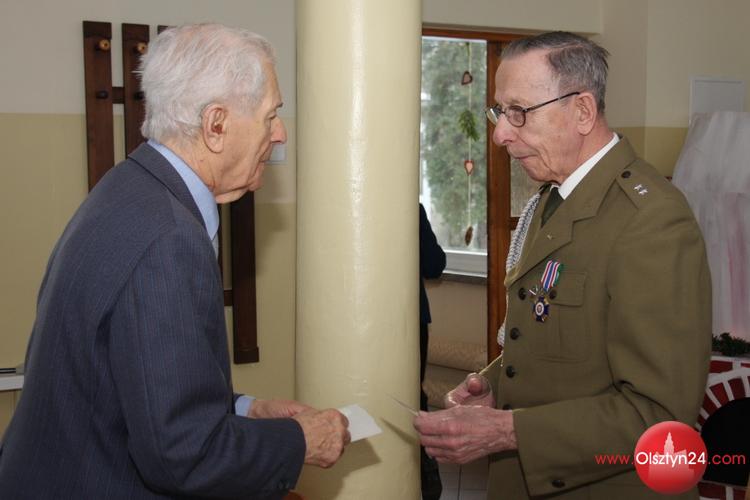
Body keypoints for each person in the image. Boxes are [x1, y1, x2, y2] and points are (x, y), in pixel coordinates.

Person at [0, 23, 349, 499]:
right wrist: (301, 440)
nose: (280, 133)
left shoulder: (128, 187)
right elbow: (182, 454)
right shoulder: (168, 237)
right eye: (271, 115)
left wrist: (246, 410)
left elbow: (139, 387)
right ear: (216, 125)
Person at [414, 31, 711, 499]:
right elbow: (554, 338)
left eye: (519, 112)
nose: (500, 133)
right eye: (499, 111)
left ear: (583, 111)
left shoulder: (651, 220)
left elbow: (658, 416)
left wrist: (509, 431)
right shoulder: (553, 199)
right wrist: (493, 385)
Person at [418, 203, 446, 500]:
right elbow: (434, 265)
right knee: (415, 393)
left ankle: (425, 467)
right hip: (411, 320)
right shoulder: (411, 210)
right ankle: (427, 470)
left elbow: (433, 266)